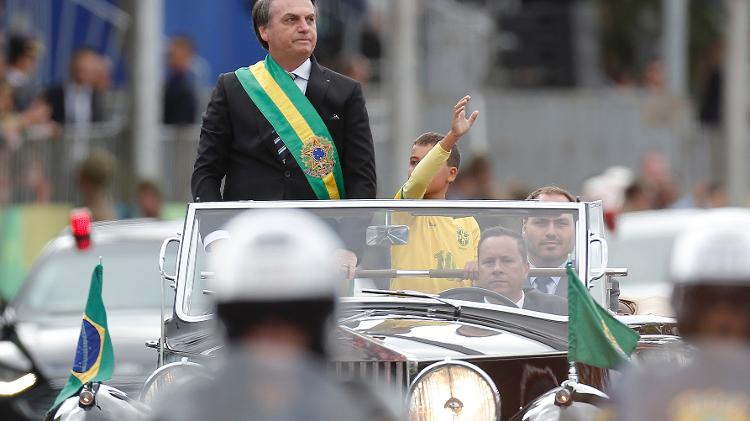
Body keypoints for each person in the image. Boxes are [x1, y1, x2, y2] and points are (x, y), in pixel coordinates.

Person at [151, 209, 399, 421]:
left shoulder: (359, 410)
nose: (274, 338)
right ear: (231, 325)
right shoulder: (189, 411)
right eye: (254, 319)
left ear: (318, 325)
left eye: (294, 319)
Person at [191, 0, 376, 202]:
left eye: (310, 19)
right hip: (248, 229)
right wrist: (217, 232)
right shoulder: (233, 87)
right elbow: (206, 172)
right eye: (291, 19)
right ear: (264, 31)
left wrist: (347, 232)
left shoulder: (347, 92)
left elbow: (362, 180)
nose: (304, 28)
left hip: (321, 230)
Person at [609, 211, 750, 421]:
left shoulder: (645, 383)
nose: (722, 318)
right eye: (706, 301)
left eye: (739, 303)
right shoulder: (644, 384)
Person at [389, 95, 479, 293]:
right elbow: (419, 180)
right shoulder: (404, 208)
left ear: (452, 174)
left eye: (427, 162)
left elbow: (480, 278)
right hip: (409, 320)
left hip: (457, 319)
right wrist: (452, 137)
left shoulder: (468, 222)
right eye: (413, 162)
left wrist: (480, 265)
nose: (415, 169)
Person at [473, 226, 567, 315]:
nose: (497, 269)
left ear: (525, 269)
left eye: (507, 261)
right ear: (478, 269)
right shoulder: (461, 306)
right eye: (489, 262)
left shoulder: (558, 311)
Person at [523, 186, 576, 298]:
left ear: (576, 228)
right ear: (524, 226)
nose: (551, 232)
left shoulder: (593, 281)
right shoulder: (503, 277)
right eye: (541, 222)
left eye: (561, 223)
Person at [45, 47, 106, 126]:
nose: (84, 70)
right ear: (71, 66)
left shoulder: (97, 95)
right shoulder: (54, 93)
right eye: (81, 66)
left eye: (88, 66)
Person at [163, 35, 198, 125]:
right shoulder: (169, 83)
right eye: (170, 55)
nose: (170, 60)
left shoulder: (187, 88)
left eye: (174, 55)